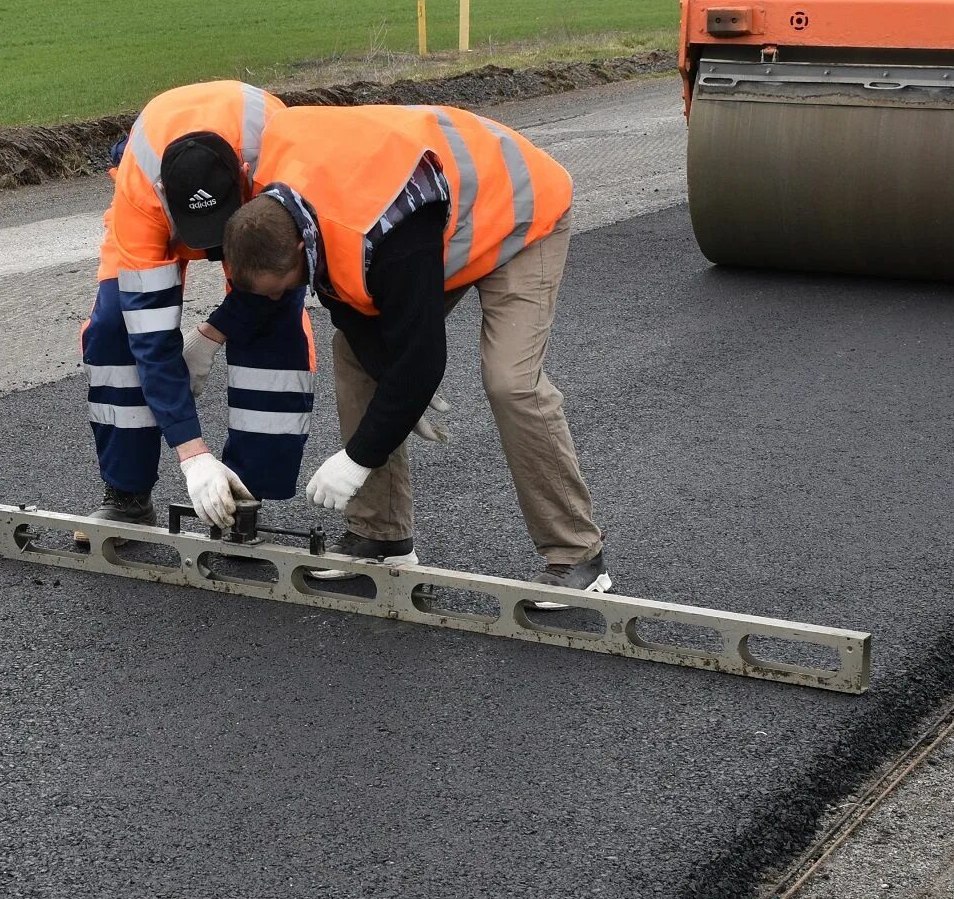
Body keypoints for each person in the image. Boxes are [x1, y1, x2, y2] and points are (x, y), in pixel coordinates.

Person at [220, 103, 610, 594]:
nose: (279, 298)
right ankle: (381, 539)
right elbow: (348, 306)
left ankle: (578, 556)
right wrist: (392, 380)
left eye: (282, 286)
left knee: (511, 382)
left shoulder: (382, 229)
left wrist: (359, 456)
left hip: (521, 213)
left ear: (301, 248)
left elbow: (423, 360)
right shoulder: (273, 207)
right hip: (447, 221)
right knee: (356, 355)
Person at [81, 80, 315, 532]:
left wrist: (212, 334)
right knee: (115, 329)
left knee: (274, 321)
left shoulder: (281, 161)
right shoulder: (141, 187)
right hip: (152, 214)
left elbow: (279, 283)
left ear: (244, 174)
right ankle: (127, 496)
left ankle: (242, 499)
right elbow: (147, 332)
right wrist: (193, 455)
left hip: (259, 208)